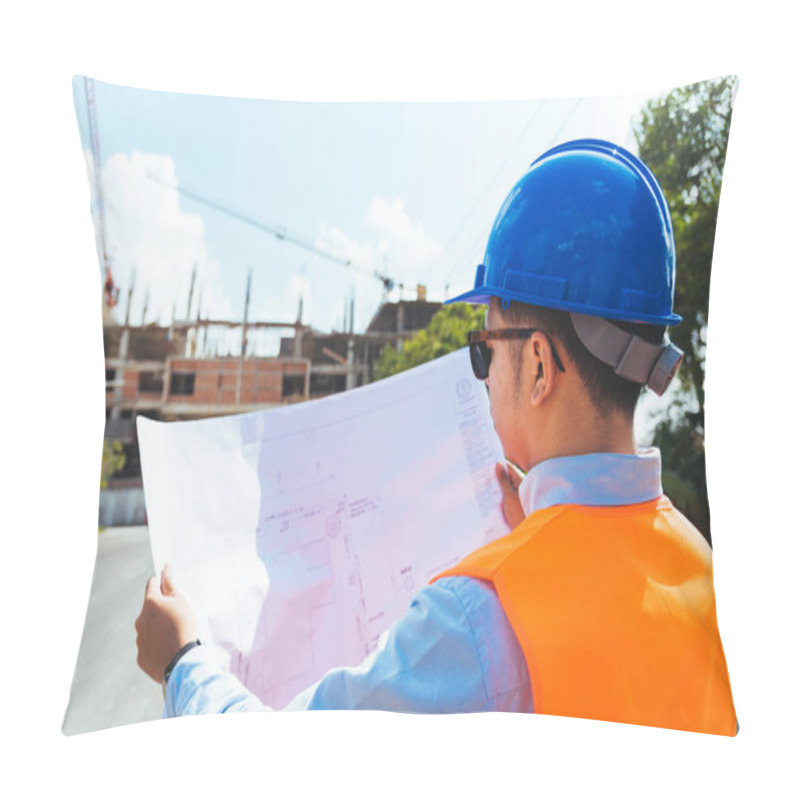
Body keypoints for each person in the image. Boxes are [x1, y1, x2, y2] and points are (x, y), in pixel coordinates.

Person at [135, 139, 737, 734]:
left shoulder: (477, 621)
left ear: (536, 367)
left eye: (485, 349)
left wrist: (182, 660)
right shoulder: (704, 568)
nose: (483, 375)